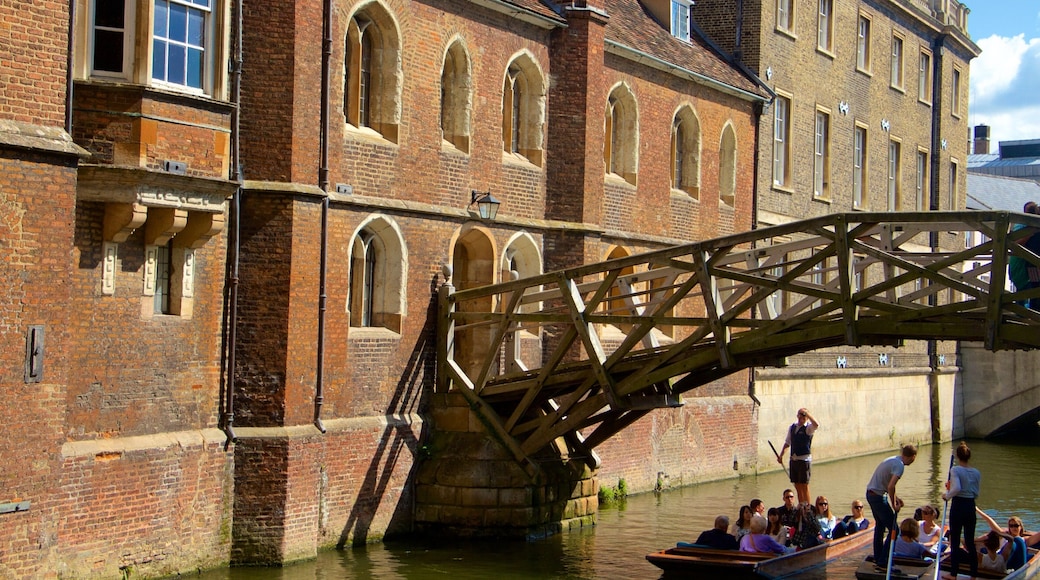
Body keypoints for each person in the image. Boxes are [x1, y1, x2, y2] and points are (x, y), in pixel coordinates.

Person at [865, 444, 918, 571]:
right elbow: (890, 486)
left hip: (871, 494)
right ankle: (884, 562)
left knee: (880, 526)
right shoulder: (899, 466)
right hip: (878, 497)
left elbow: (887, 485)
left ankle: (878, 559)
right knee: (895, 529)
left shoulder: (894, 459)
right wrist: (894, 504)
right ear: (913, 457)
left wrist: (896, 497)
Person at [942, 441, 981, 579]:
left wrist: (947, 495)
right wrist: (952, 487)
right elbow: (976, 493)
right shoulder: (976, 472)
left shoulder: (955, 470)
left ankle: (953, 573)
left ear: (958, 457)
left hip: (958, 506)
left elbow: (957, 488)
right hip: (970, 506)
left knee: (955, 540)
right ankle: (974, 574)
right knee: (970, 542)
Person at [777, 408, 819, 505]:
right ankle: (801, 506)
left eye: (803, 416)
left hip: (804, 460)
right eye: (799, 416)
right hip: (794, 460)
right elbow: (787, 442)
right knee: (797, 485)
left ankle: (807, 507)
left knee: (804, 485)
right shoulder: (792, 427)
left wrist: (807, 414)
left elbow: (816, 425)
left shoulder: (808, 428)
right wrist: (781, 455)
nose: (801, 418)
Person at [1009, 201, 1039, 309]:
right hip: (1030, 265)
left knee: (1032, 291)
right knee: (1032, 291)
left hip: (1028, 265)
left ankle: (1024, 314)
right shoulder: (1029, 228)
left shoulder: (1022, 225)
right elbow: (1015, 243)